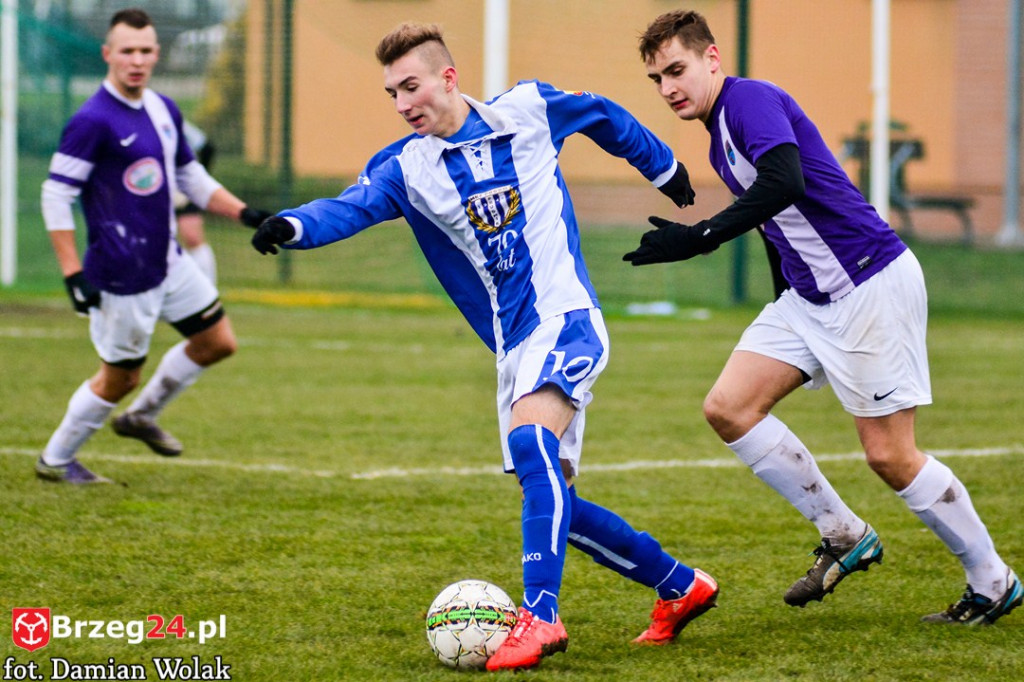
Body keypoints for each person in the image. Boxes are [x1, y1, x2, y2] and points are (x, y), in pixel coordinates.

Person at [251, 22, 717, 671]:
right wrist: (292, 225)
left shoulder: (527, 109)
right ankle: (679, 585)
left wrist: (663, 167)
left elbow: (603, 115)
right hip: (514, 346)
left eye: (410, 86)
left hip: (566, 317)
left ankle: (540, 617)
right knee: (553, 502)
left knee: (532, 445)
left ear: (447, 78)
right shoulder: (406, 169)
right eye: (391, 93)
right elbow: (349, 207)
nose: (402, 103)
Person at [628, 9, 1021, 626]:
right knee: (729, 408)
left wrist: (700, 236)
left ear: (712, 58)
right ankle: (844, 533)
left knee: (890, 456)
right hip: (811, 300)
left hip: (868, 283)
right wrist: (783, 296)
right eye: (657, 78)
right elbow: (774, 218)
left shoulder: (748, 100)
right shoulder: (719, 131)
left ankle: (993, 581)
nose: (668, 87)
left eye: (676, 70)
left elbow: (784, 181)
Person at [39, 8, 269, 484]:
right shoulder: (92, 121)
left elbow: (190, 175)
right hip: (121, 273)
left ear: (157, 54)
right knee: (119, 378)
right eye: (127, 51)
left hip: (168, 261)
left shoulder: (163, 108)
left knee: (217, 342)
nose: (137, 60)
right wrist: (72, 273)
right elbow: (55, 195)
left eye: (145, 51)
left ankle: (140, 417)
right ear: (108, 54)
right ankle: (56, 460)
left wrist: (245, 213)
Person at [175, 120, 218, 283]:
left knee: (192, 236)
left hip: (181, 188)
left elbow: (207, 147)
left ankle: (207, 287)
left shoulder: (168, 118)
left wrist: (195, 182)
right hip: (151, 189)